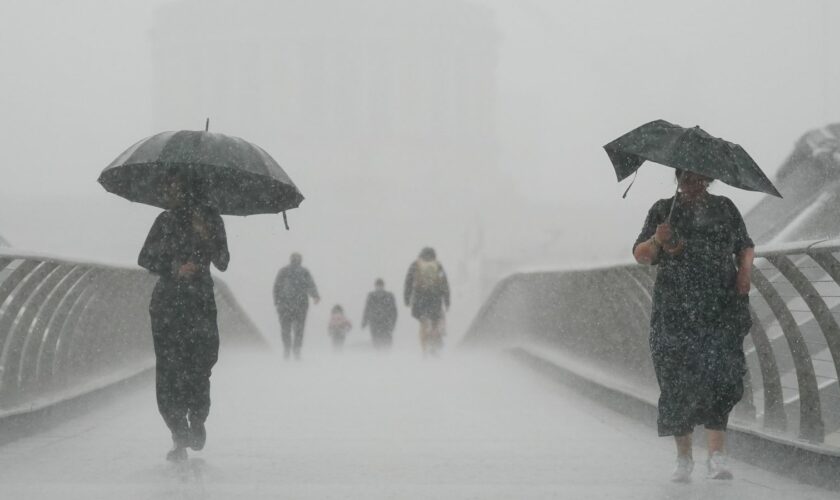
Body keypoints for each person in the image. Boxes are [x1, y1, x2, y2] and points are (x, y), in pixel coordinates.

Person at [632, 169, 754, 483]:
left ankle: (716, 456)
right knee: (676, 379)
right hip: (674, 310)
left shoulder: (724, 207)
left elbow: (745, 246)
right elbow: (641, 255)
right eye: (686, 178)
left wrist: (743, 280)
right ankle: (684, 459)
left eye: (699, 178)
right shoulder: (663, 210)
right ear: (677, 177)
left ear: (708, 179)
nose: (692, 184)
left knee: (721, 376)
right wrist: (658, 240)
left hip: (719, 306)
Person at [138, 173, 229, 462]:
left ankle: (197, 418)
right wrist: (175, 266)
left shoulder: (212, 219)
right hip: (168, 304)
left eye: (173, 186)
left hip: (199, 303)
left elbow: (224, 262)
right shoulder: (165, 220)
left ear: (190, 188)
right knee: (169, 369)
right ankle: (179, 433)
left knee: (200, 364)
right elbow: (145, 259)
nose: (168, 191)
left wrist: (209, 238)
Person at [404, 247, 450, 356]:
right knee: (434, 323)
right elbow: (444, 284)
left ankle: (425, 348)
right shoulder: (438, 266)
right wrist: (447, 300)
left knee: (423, 323)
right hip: (435, 299)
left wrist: (407, 298)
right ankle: (434, 344)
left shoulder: (415, 265)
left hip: (420, 300)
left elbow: (408, 282)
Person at [273, 252, 320, 360]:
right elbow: (310, 285)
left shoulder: (284, 271)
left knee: (286, 328)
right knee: (299, 329)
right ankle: (296, 349)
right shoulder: (304, 272)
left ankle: (287, 348)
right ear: (300, 260)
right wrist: (315, 296)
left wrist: (277, 301)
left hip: (285, 305)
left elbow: (276, 287)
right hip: (300, 305)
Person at [361, 278, 398, 350]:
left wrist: (393, 323)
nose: (379, 287)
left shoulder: (389, 296)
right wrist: (364, 321)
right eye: (378, 285)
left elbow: (394, 311)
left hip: (386, 324)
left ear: (383, 286)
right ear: (375, 286)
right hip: (375, 324)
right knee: (377, 345)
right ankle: (379, 359)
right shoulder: (371, 296)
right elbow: (367, 309)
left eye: (380, 285)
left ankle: (385, 359)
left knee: (386, 345)